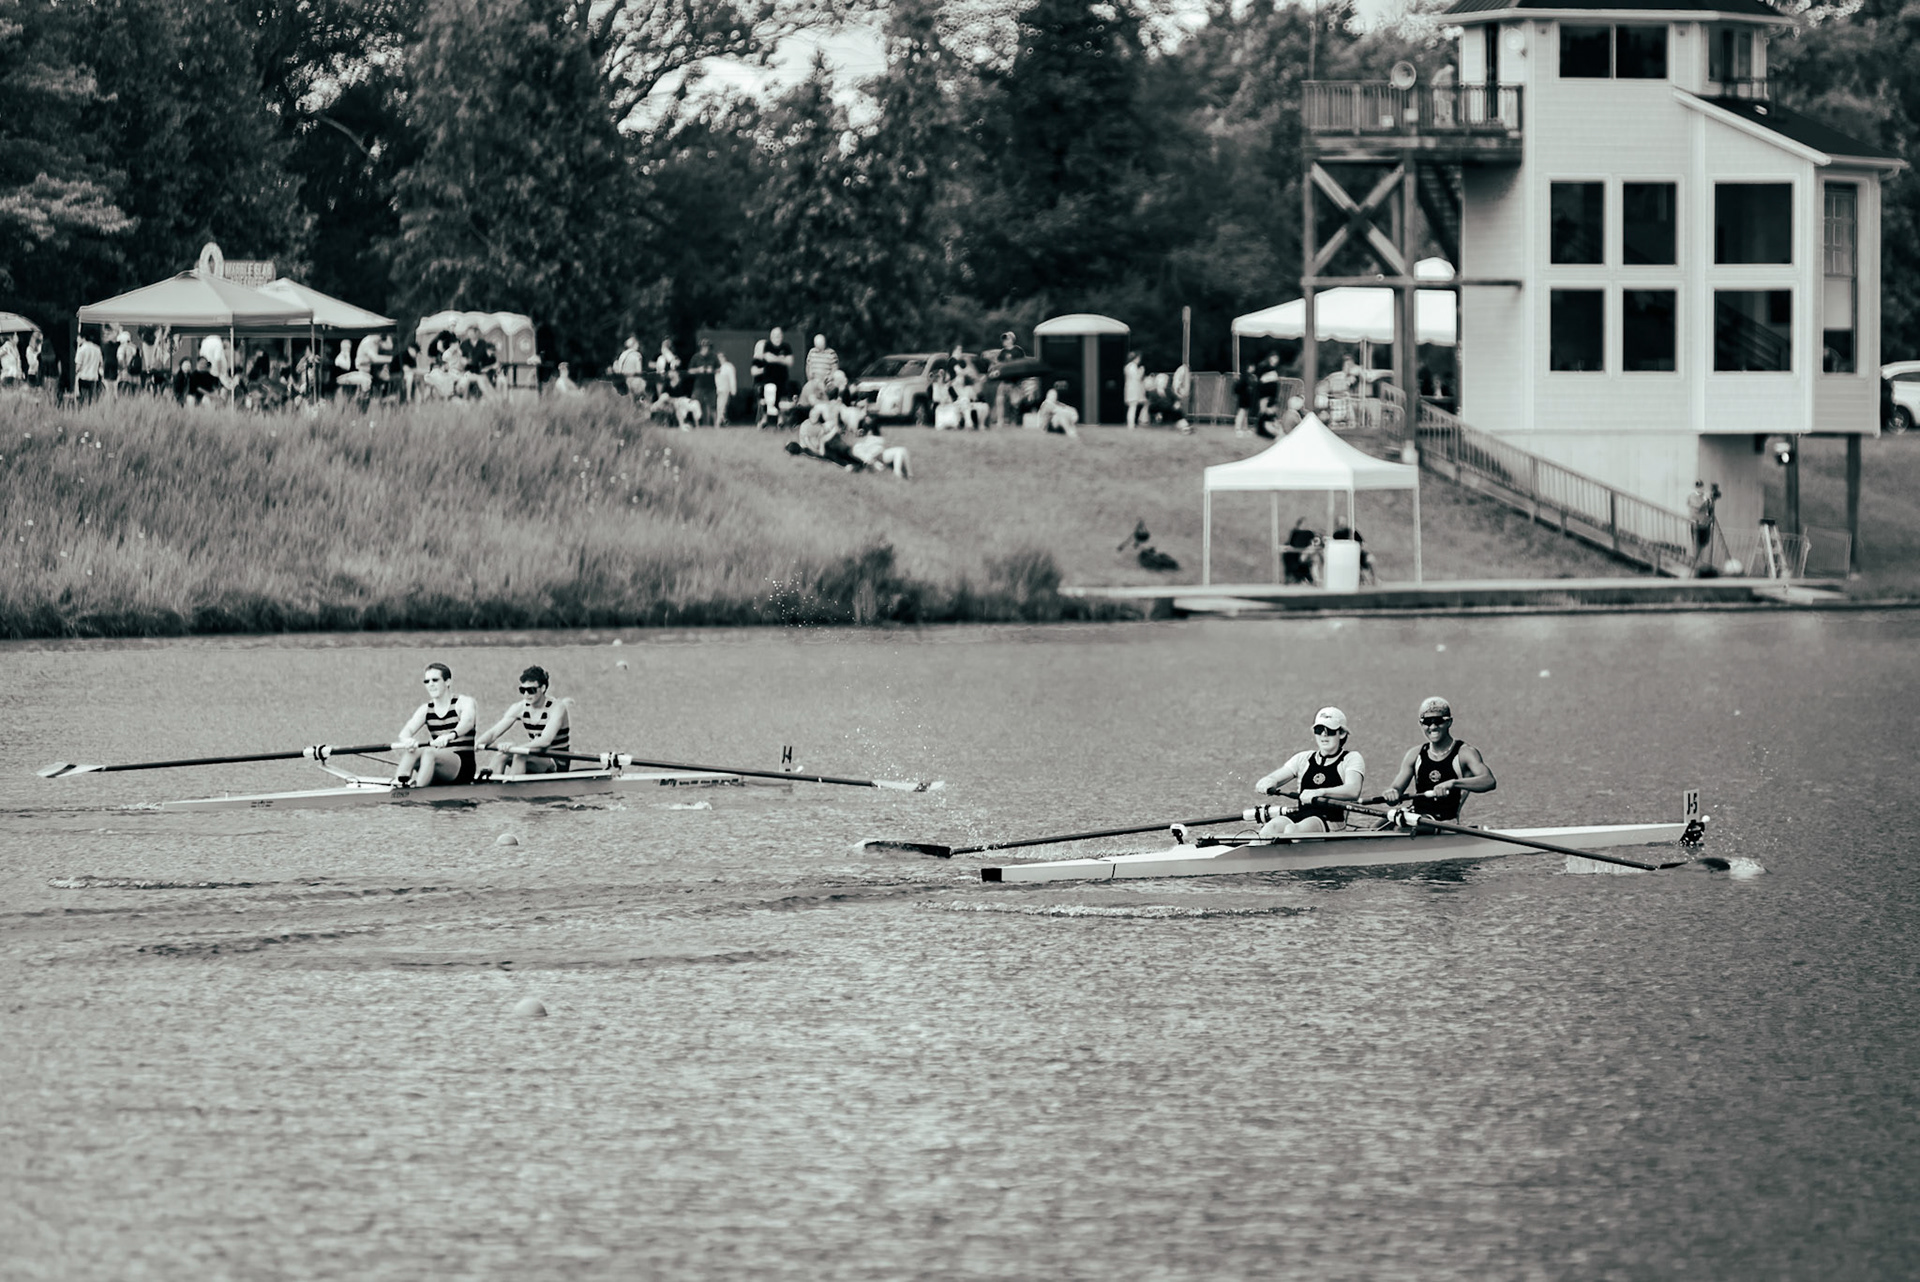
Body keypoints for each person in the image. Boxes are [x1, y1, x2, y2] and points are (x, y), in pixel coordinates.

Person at [1379, 697, 1496, 823]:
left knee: (1407, 825)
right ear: (1421, 724)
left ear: (1449, 722)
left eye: (1438, 721)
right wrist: (1392, 793)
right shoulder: (1414, 754)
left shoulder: (1465, 753)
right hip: (1416, 817)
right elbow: (1396, 789)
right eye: (1427, 722)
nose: (1433, 727)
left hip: (1445, 822)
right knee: (1378, 825)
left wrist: (1453, 784)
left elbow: (1489, 781)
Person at [1253, 707, 1365, 835]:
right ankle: (1255, 845)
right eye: (1319, 730)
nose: (1323, 735)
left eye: (1330, 731)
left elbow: (1353, 790)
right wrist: (1268, 781)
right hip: (1302, 815)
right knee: (1270, 828)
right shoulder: (1303, 758)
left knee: (1292, 830)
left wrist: (1321, 792)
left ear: (1342, 733)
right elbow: (1276, 777)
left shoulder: (1351, 758)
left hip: (1332, 821)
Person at [392, 663, 479, 788]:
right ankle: (398, 786)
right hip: (438, 761)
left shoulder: (464, 702)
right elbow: (405, 732)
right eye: (427, 681)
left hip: (463, 767)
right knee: (413, 751)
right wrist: (407, 741)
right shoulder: (426, 709)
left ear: (447, 682)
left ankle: (417, 791)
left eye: (435, 680)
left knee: (429, 752)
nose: (430, 684)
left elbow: (468, 722)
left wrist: (450, 736)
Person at [475, 666, 572, 777]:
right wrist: (477, 743)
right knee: (501, 754)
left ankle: (514, 787)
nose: (526, 695)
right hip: (534, 754)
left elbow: (545, 740)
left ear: (543, 688)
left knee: (520, 755)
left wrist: (516, 748)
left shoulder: (557, 708)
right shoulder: (519, 707)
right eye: (522, 690)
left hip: (557, 759)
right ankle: (491, 784)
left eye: (531, 690)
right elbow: (493, 733)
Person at [752, 326, 793, 425]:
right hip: (769, 378)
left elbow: (790, 362)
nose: (777, 337)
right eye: (775, 335)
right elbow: (768, 358)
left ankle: (780, 420)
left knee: (781, 398)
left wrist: (775, 358)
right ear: (771, 336)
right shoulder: (767, 346)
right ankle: (765, 419)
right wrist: (782, 359)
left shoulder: (786, 347)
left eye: (779, 335)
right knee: (767, 396)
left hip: (782, 378)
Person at [988, 331, 1024, 427]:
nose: (1005, 341)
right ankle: (1000, 421)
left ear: (1012, 340)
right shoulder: (1002, 352)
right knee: (1000, 400)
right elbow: (999, 365)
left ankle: (1014, 421)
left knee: (1015, 403)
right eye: (1004, 339)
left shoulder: (1018, 351)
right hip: (1004, 381)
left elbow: (1022, 365)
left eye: (1007, 339)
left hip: (1015, 381)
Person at [687, 339, 718, 425]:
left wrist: (712, 370)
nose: (705, 349)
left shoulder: (713, 357)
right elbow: (689, 371)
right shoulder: (696, 357)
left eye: (707, 347)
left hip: (711, 386)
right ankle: (697, 424)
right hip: (699, 386)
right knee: (695, 404)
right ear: (700, 348)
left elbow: (719, 369)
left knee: (712, 406)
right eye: (704, 347)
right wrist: (698, 370)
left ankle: (716, 425)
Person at [1687, 480, 1716, 570]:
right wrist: (1706, 499)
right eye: (1698, 487)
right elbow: (1698, 507)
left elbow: (1710, 510)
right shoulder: (1692, 496)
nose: (1699, 489)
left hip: (1704, 524)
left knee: (1704, 543)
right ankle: (1696, 563)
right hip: (1696, 523)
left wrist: (1710, 501)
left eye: (1701, 487)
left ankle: (1699, 562)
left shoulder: (1705, 497)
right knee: (1696, 544)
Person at [1282, 518, 1318, 585]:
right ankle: (1295, 577)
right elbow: (1292, 543)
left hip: (1305, 553)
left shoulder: (1309, 533)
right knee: (1290, 558)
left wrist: (1307, 550)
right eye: (1303, 524)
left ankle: (1308, 578)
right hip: (1295, 553)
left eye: (1306, 524)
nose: (1305, 525)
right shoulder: (1295, 533)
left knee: (1305, 560)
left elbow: (1314, 543)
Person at [74, 330, 103, 402]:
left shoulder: (81, 349)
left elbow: (78, 366)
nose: (77, 340)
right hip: (94, 377)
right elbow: (100, 363)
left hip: (83, 377)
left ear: (83, 338)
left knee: (82, 399)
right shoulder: (97, 349)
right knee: (91, 399)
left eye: (78, 338)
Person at [1123, 350, 1147, 428]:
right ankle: (1132, 424)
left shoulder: (1128, 366)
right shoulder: (1132, 366)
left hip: (1131, 388)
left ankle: (1132, 423)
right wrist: (1141, 371)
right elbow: (1137, 377)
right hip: (1134, 389)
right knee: (1133, 406)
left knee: (1133, 406)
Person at [714, 351, 737, 425]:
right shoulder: (716, 367)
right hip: (718, 390)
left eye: (721, 357)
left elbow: (732, 379)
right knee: (719, 406)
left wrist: (733, 390)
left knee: (722, 406)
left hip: (725, 389)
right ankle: (723, 421)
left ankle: (719, 422)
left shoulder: (728, 367)